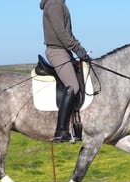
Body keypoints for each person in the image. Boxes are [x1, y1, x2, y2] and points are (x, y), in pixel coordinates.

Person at [40, 0, 90, 142]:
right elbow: (61, 33)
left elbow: (68, 33)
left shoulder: (59, 4)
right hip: (57, 52)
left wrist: (79, 48)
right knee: (73, 86)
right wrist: (77, 48)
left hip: (64, 51)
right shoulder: (55, 5)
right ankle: (60, 131)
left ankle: (77, 126)